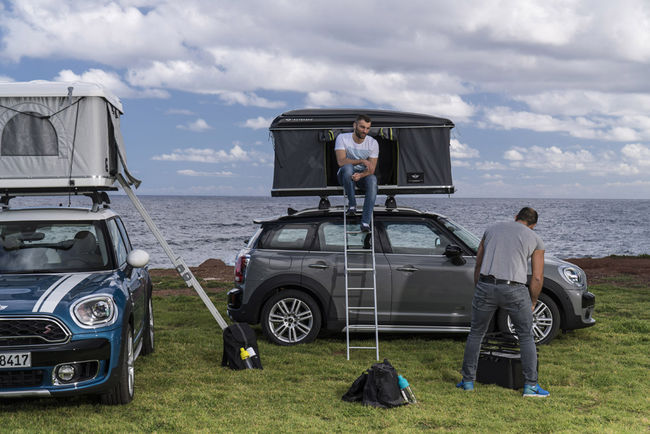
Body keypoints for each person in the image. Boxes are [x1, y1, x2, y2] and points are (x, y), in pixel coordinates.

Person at [457, 207, 550, 397]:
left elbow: (479, 263)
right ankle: (530, 386)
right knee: (525, 336)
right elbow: (538, 277)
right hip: (515, 289)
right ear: (533, 225)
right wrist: (532, 301)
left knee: (476, 333)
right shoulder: (535, 239)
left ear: (516, 217)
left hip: (486, 284)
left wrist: (480, 287)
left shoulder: (491, 230)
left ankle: (467, 382)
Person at [335, 114, 378, 232]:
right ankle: (352, 205)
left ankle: (365, 222)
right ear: (354, 125)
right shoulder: (342, 138)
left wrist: (361, 175)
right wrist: (361, 161)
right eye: (362, 127)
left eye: (367, 128)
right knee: (348, 167)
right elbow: (341, 161)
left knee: (373, 179)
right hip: (345, 175)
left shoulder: (373, 143)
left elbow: (371, 169)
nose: (365, 131)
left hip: (362, 175)